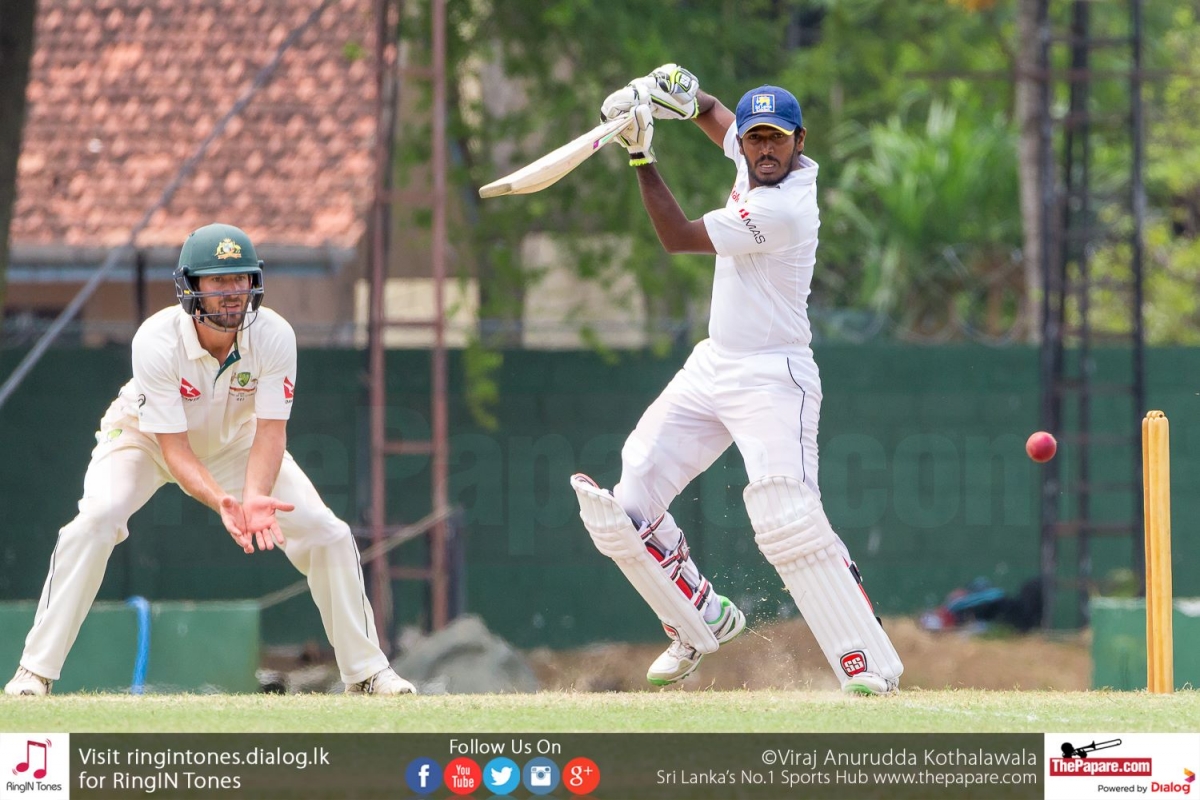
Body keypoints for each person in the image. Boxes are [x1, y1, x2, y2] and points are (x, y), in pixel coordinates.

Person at [569, 66, 904, 695]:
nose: (764, 149)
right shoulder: (752, 159)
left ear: (800, 141)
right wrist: (670, 88)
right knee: (630, 496)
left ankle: (867, 660)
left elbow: (677, 238)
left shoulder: (784, 207)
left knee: (786, 514)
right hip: (715, 363)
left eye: (777, 138)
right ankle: (699, 618)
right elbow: (710, 112)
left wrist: (641, 153)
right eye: (755, 138)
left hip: (774, 376)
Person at [4, 223, 415, 696]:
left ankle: (366, 673)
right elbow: (174, 449)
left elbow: (270, 431)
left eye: (240, 278)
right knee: (96, 520)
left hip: (234, 441)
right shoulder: (156, 340)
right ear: (191, 287)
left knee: (329, 533)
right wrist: (222, 500)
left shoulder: (274, 335)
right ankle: (34, 672)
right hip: (143, 439)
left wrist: (255, 493)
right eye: (218, 280)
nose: (232, 291)